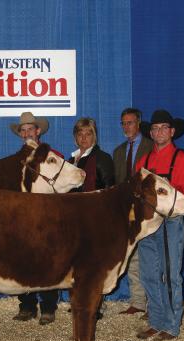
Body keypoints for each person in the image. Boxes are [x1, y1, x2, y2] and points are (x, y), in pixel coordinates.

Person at [135, 110, 184, 341]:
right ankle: (156, 321)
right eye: (155, 128)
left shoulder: (182, 159)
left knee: (170, 274)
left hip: (170, 222)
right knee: (149, 273)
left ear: (172, 132)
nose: (159, 132)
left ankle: (171, 324)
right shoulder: (143, 162)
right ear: (150, 133)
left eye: (163, 128)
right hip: (147, 224)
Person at [9, 111, 59, 324]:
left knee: (47, 262)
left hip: (47, 216)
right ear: (20, 134)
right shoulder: (16, 160)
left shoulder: (52, 156)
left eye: (31, 129)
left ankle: (48, 307)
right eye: (23, 130)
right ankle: (27, 306)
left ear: (38, 131)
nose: (27, 133)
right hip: (23, 218)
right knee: (23, 261)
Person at [68, 117, 115, 319]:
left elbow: (109, 190)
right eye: (80, 134)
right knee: (76, 263)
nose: (84, 137)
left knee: (94, 265)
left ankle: (94, 305)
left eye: (88, 133)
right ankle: (79, 301)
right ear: (75, 137)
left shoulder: (102, 158)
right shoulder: (71, 160)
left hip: (95, 220)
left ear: (94, 136)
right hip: (74, 220)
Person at [113, 108, 154, 316]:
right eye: (123, 123)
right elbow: (118, 182)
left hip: (146, 209)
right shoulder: (119, 151)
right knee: (132, 256)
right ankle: (138, 301)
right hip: (126, 210)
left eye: (130, 122)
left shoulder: (151, 146)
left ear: (139, 123)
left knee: (151, 257)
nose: (126, 126)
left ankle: (154, 305)